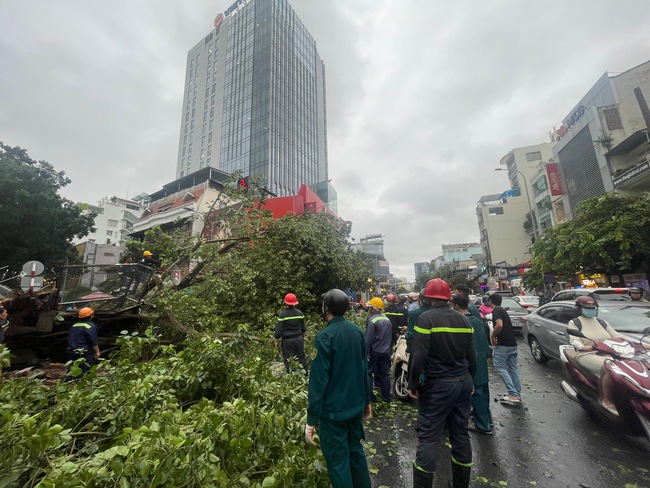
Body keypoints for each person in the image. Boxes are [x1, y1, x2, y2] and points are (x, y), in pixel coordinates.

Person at [408, 279, 476, 488]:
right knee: (460, 433)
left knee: (428, 436)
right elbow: (471, 356)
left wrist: (412, 383)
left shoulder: (426, 320)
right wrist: (470, 379)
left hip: (438, 385)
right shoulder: (464, 320)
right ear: (448, 298)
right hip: (463, 383)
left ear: (428, 298)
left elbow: (418, 356)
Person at [306, 289, 372, 488]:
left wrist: (311, 420)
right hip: (354, 408)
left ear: (326, 307)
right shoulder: (357, 331)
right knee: (356, 455)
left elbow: (318, 382)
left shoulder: (324, 336)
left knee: (338, 463)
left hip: (333, 414)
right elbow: (364, 369)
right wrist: (366, 401)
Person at [565, 296, 622, 415]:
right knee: (608, 366)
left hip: (608, 353)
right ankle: (606, 400)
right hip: (587, 354)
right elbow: (574, 340)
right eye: (587, 308)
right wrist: (583, 346)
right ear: (579, 308)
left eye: (593, 307)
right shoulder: (575, 322)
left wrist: (637, 343)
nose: (590, 310)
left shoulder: (602, 322)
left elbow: (617, 336)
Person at [452, 295, 492, 435]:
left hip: (472, 361)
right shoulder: (476, 320)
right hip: (481, 359)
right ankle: (486, 419)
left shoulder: (462, 322)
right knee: (483, 391)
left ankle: (483, 425)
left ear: (456, 305)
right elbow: (484, 342)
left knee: (476, 393)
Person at [489, 293, 522, 404]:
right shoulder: (503, 310)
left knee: (499, 366)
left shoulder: (496, 311)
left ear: (490, 301)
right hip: (512, 344)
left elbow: (499, 325)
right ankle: (516, 393)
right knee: (513, 368)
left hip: (504, 345)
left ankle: (512, 393)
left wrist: (493, 335)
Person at [365, 297, 392, 402]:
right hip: (385, 352)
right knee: (385, 374)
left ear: (373, 309)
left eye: (370, 308)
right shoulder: (387, 319)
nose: (369, 310)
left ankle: (371, 397)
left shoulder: (372, 320)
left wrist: (365, 352)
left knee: (368, 372)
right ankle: (386, 398)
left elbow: (368, 339)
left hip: (374, 352)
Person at [274, 292, 308, 374]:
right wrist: (302, 339)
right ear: (295, 303)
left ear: (285, 303)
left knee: (289, 359)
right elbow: (303, 328)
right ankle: (305, 374)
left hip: (288, 341)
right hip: (299, 339)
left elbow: (278, 330)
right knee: (301, 357)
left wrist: (276, 340)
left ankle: (291, 377)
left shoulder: (282, 315)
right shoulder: (300, 313)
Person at [66, 307, 100, 380]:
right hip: (85, 352)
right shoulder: (90, 326)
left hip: (72, 351)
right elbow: (93, 340)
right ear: (91, 315)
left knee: (72, 370)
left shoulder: (74, 326)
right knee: (87, 371)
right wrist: (97, 352)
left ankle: (68, 385)